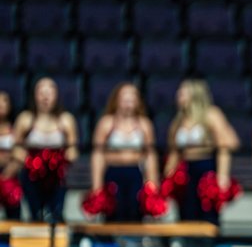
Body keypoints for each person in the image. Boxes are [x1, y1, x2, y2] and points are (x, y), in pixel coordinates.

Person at [164, 80, 240, 225]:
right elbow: (174, 152)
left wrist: (222, 177)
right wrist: (167, 177)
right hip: (185, 170)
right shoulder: (178, 120)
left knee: (207, 212)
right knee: (186, 213)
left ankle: (209, 245)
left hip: (206, 167)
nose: (178, 95)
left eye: (182, 92)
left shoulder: (211, 114)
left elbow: (228, 144)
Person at [88, 83, 159, 222]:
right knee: (113, 211)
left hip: (135, 172)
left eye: (132, 96)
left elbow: (150, 155)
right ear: (116, 100)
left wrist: (152, 184)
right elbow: (98, 155)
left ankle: (134, 241)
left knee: (135, 210)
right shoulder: (106, 123)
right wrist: (96, 185)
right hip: (113, 172)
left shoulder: (144, 124)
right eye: (124, 96)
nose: (128, 99)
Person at [12, 77, 79, 222]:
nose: (45, 97)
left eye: (49, 92)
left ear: (56, 95)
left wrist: (57, 160)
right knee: (36, 215)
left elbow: (73, 152)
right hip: (32, 174)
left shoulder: (66, 120)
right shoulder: (25, 119)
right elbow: (16, 149)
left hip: (57, 175)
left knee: (56, 215)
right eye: (41, 92)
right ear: (35, 95)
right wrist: (34, 162)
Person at [0, 91, 21, 219]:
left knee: (13, 214)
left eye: (4, 100)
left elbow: (20, 155)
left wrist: (6, 175)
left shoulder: (16, 128)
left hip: (10, 174)